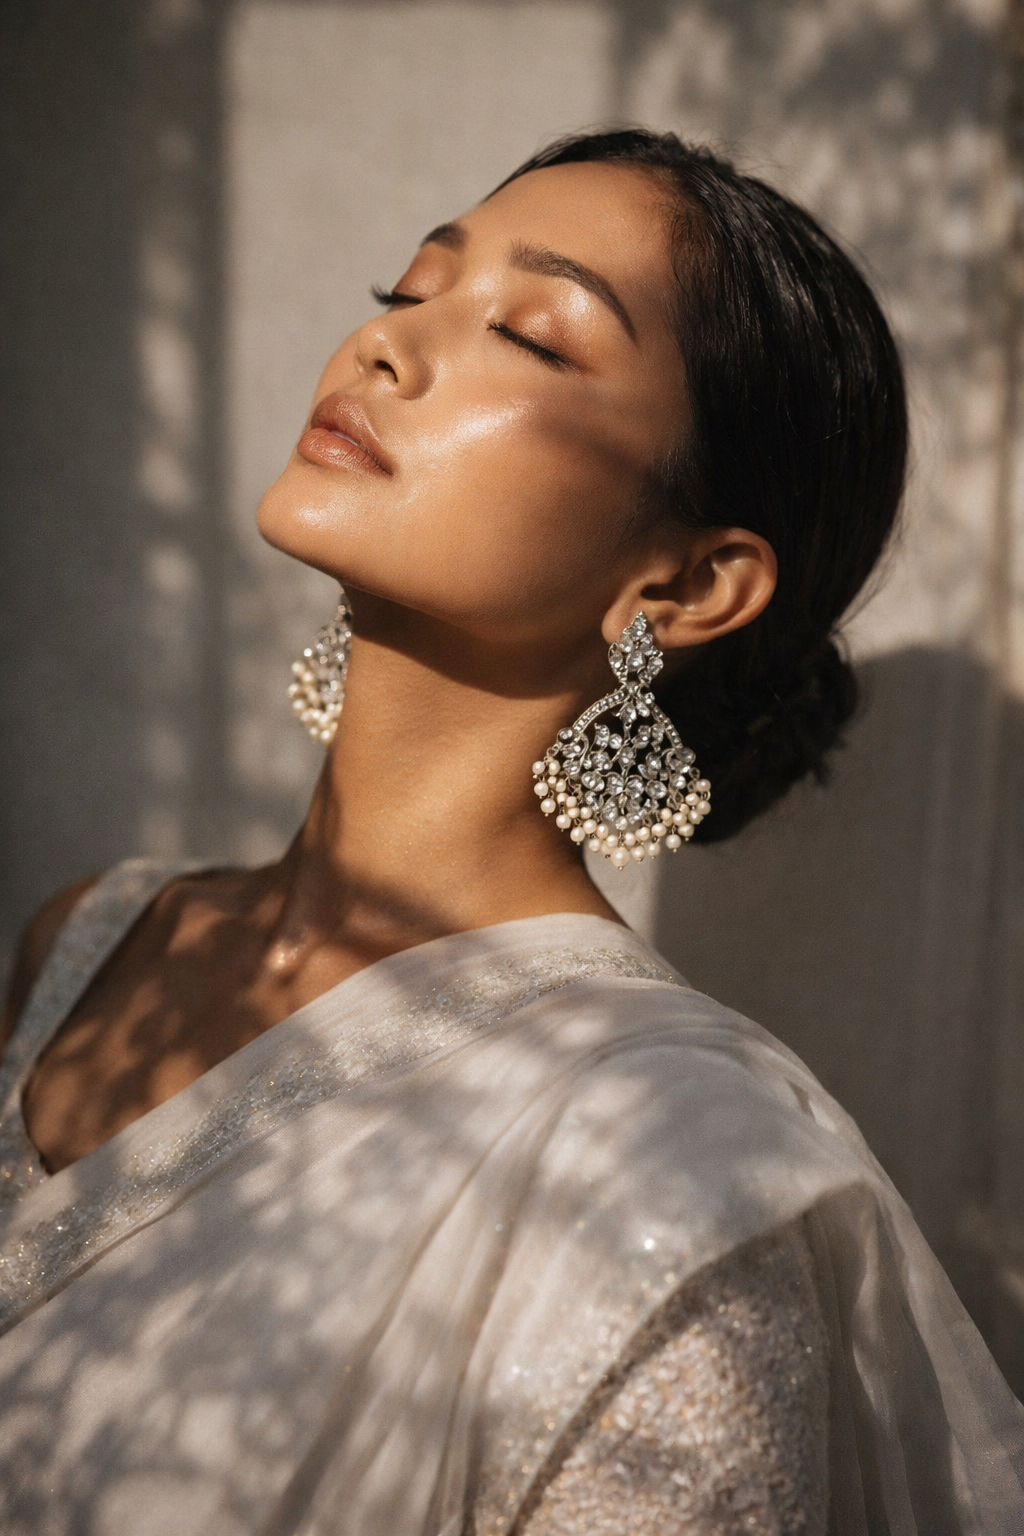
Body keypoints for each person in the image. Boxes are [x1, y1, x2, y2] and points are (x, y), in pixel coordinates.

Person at [0, 127, 1021, 1535]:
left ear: (690, 584)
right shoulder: (90, 937)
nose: (386, 346)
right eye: (411, 287)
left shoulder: (665, 1167)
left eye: (532, 337)